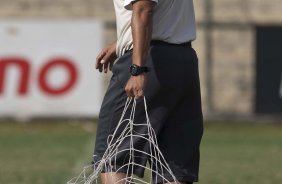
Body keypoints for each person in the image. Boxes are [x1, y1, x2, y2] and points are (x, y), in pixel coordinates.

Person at [94, 0, 203, 184]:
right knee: (173, 166)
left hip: (149, 62)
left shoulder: (141, 65)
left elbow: (144, 8)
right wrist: (123, 40)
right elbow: (164, 15)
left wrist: (137, 68)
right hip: (184, 60)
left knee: (115, 160)